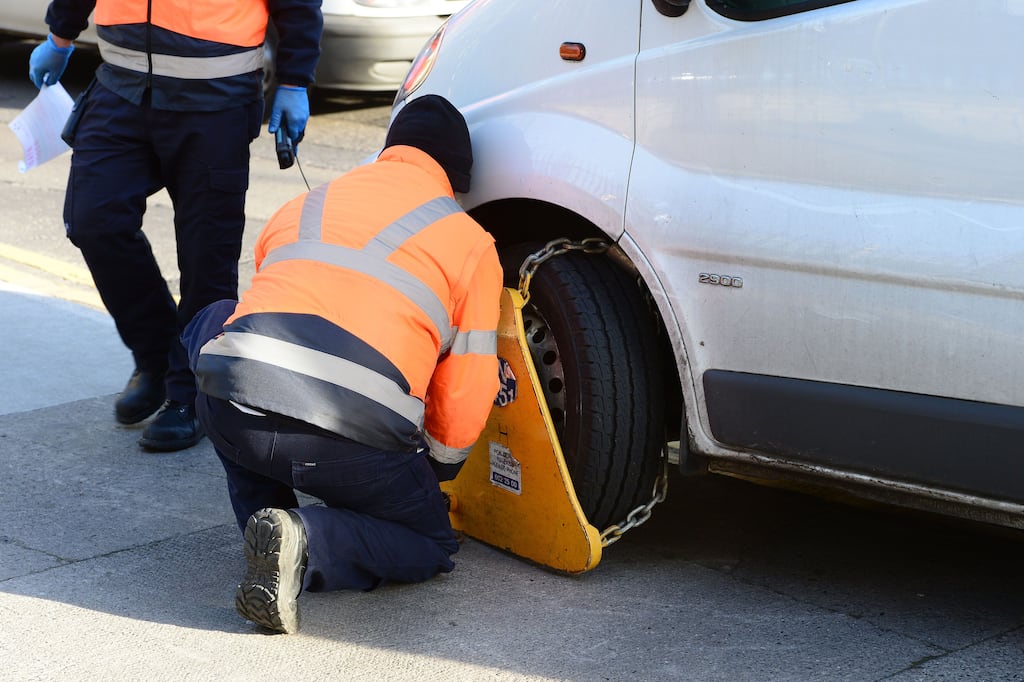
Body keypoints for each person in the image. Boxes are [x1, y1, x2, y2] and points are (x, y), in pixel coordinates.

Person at [181, 95, 502, 634]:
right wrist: (436, 472)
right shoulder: (471, 244)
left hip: (234, 411)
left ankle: (267, 523)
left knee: (217, 324)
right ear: (456, 177)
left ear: (388, 151)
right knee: (429, 544)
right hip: (349, 445)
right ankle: (305, 541)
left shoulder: (306, 203)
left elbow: (265, 309)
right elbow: (466, 386)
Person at [28, 0, 323, 452]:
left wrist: (296, 79)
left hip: (216, 97)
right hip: (120, 87)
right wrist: (59, 35)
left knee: (207, 256)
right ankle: (158, 357)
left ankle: (190, 393)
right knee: (94, 220)